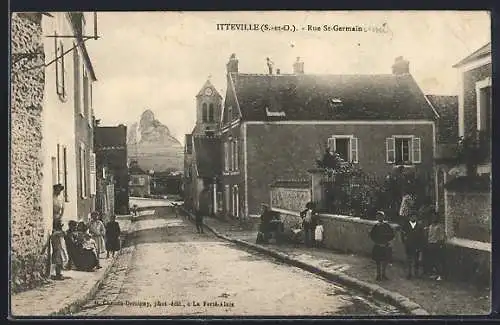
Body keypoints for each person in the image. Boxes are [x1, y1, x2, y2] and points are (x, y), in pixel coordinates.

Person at [370, 211, 395, 281]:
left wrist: (386, 241)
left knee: (385, 261)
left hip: (385, 245)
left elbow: (392, 235)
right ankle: (378, 275)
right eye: (377, 216)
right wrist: (377, 242)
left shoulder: (387, 225)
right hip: (378, 245)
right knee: (378, 261)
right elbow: (372, 235)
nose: (379, 218)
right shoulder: (375, 226)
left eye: (380, 216)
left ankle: (383, 274)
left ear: (383, 217)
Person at [401, 213, 426, 279]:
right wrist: (404, 241)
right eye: (412, 216)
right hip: (409, 244)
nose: (413, 218)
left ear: (416, 218)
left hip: (416, 245)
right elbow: (402, 234)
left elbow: (422, 236)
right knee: (409, 259)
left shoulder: (419, 226)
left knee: (416, 260)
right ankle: (409, 273)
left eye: (415, 216)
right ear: (409, 217)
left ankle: (416, 273)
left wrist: (420, 245)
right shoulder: (406, 225)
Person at [425, 211, 446, 281]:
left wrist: (439, 243)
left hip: (436, 244)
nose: (433, 218)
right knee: (432, 260)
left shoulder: (440, 226)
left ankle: (440, 275)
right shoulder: (430, 226)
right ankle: (434, 274)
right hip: (430, 244)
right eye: (432, 217)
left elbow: (441, 236)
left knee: (437, 260)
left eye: (435, 217)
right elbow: (429, 236)